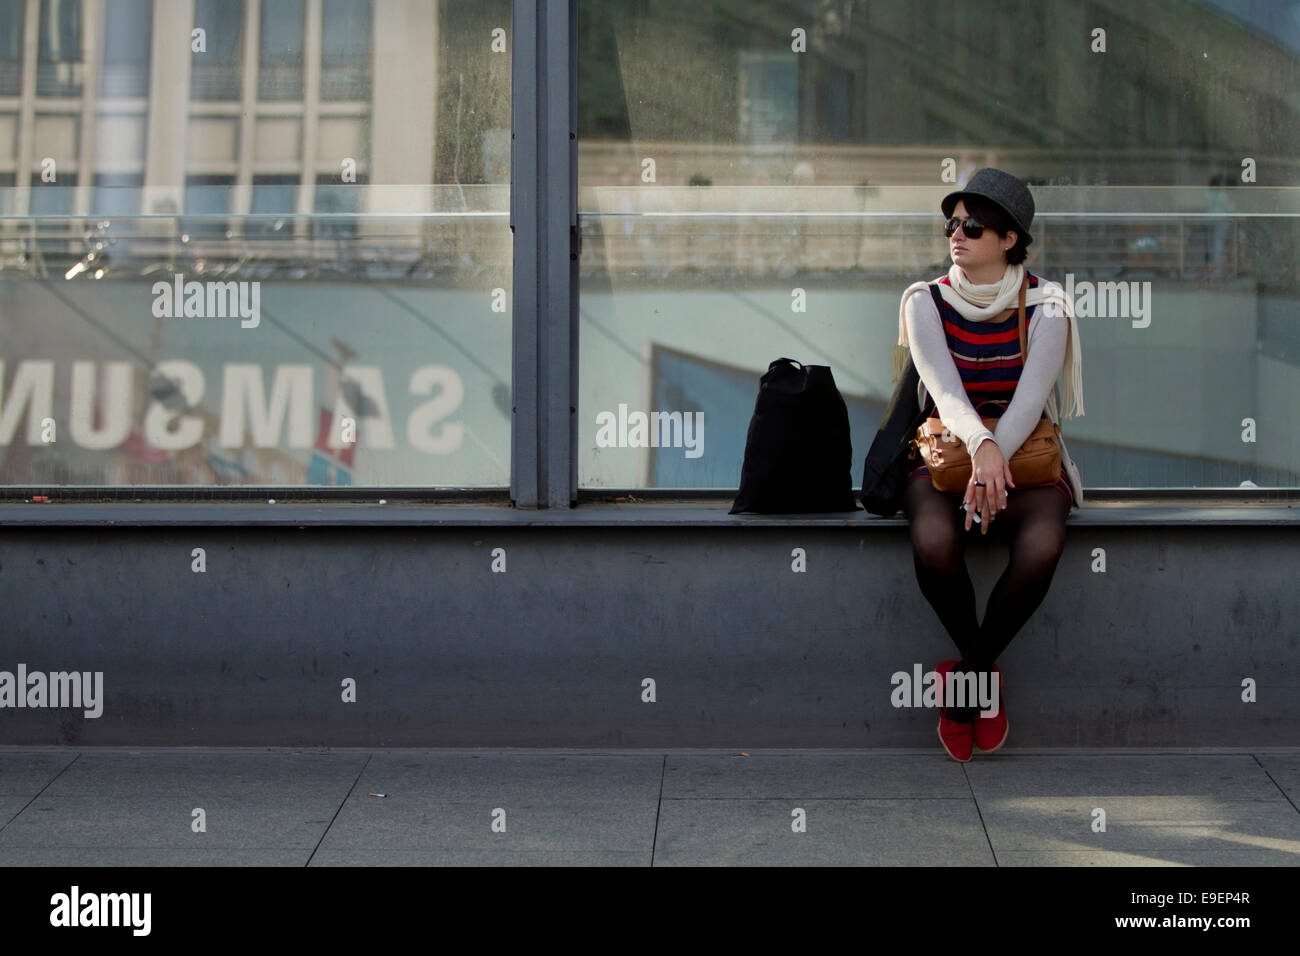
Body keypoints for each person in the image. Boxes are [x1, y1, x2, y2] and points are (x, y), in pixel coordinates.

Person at [891, 168, 1085, 762]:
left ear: (1009, 240)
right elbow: (944, 393)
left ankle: (964, 685)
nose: (958, 235)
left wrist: (997, 456)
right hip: (951, 451)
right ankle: (982, 675)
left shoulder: (1048, 305)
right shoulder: (924, 301)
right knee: (931, 538)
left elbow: (1030, 402)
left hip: (1024, 453)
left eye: (974, 226)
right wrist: (982, 450)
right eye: (953, 224)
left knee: (1043, 543)